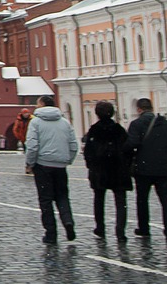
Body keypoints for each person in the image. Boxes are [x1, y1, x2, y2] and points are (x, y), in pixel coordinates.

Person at [25, 95, 79, 243]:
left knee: (46, 200)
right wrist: (68, 159)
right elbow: (73, 144)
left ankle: (51, 233)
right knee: (62, 196)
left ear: (42, 105)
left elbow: (32, 145)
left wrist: (30, 163)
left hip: (43, 165)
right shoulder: (65, 123)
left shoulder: (35, 122)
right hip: (60, 166)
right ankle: (68, 221)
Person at [126, 97, 167, 241]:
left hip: (143, 169)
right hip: (163, 169)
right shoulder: (166, 124)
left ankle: (144, 228)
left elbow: (131, 144)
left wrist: (133, 158)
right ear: (151, 108)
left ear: (139, 109)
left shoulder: (136, 124)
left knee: (142, 200)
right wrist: (166, 156)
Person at [82, 100, 131, 242]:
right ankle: (120, 231)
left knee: (99, 199)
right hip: (118, 169)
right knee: (121, 201)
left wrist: (91, 166)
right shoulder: (119, 130)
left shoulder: (94, 130)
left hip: (100, 170)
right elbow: (127, 149)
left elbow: (88, 152)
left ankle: (100, 227)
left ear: (97, 114)